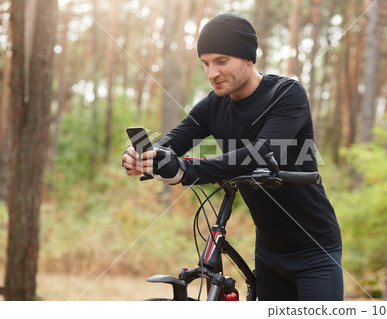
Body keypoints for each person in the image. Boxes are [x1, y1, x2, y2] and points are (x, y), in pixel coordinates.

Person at [122, 13, 343, 301]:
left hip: (314, 250)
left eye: (221, 61)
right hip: (268, 251)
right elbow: (175, 140)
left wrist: (186, 171)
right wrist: (145, 157)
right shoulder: (213, 105)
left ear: (248, 58)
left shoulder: (287, 94)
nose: (212, 73)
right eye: (205, 63)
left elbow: (262, 152)